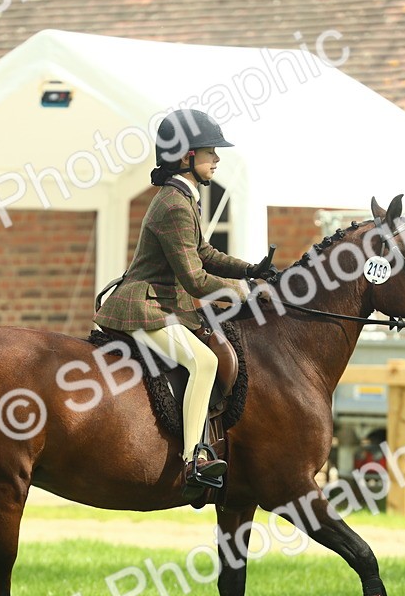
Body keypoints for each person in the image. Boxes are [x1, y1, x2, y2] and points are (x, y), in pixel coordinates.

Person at [94, 109, 277, 499]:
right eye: (210, 151)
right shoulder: (175, 204)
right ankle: (194, 458)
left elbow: (205, 252)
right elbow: (195, 279)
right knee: (205, 361)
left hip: (163, 303)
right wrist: (245, 292)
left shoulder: (182, 197)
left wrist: (251, 269)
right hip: (144, 306)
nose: (217, 159)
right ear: (186, 157)